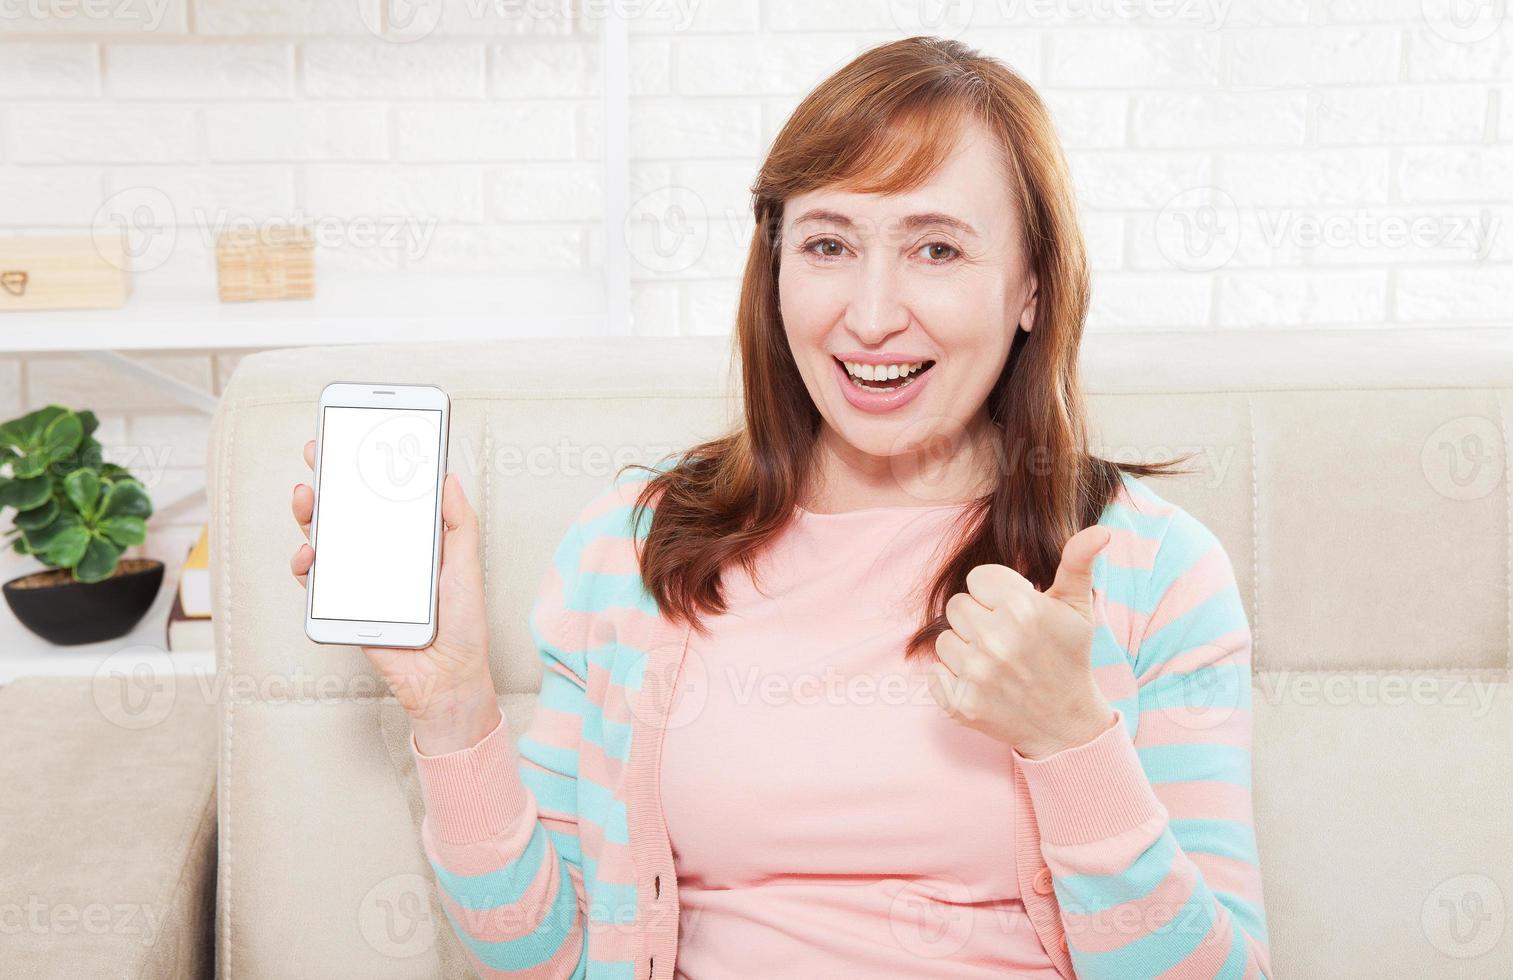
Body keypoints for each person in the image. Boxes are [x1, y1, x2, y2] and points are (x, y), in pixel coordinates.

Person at [291, 35, 1271, 980]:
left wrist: (1069, 738)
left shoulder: (1152, 567)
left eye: (936, 248)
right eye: (829, 242)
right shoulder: (630, 549)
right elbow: (539, 954)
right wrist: (454, 705)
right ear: (774, 273)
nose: (874, 312)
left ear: (1032, 288)